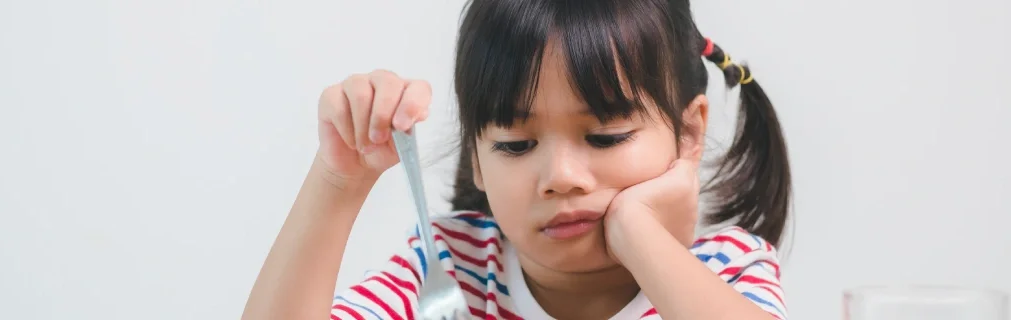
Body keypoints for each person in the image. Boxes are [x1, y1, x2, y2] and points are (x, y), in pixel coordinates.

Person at [243, 0, 791, 319]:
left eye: (606, 136)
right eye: (514, 145)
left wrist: (636, 231)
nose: (560, 178)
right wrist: (340, 180)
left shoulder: (726, 272)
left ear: (689, 131)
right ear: (477, 159)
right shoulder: (451, 269)